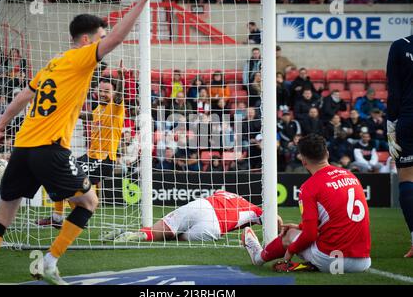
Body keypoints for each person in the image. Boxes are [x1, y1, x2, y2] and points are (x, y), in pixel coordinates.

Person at [0, 0, 152, 286]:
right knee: (89, 202)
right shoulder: (81, 59)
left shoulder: (53, 64)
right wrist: (143, 1)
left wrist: (1, 124)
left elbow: (22, 97)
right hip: (50, 149)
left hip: (23, 147)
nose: (103, 42)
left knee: (4, 214)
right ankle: (50, 262)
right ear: (86, 40)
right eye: (99, 37)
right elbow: (118, 38)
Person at [242, 134, 371, 273]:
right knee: (301, 231)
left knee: (290, 234)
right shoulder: (350, 175)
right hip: (363, 261)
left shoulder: (309, 187)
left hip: (332, 261)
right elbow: (337, 217)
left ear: (303, 161)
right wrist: (300, 226)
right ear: (327, 154)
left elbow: (310, 235)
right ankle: (313, 265)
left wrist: (291, 250)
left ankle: (258, 257)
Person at [36, 73, 125, 228]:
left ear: (114, 93)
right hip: (90, 157)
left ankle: (76, 217)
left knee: (69, 181)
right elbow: (89, 116)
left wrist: (121, 79)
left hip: (103, 159)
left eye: (107, 91)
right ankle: (59, 218)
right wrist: (70, 111)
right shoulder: (99, 109)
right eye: (101, 90)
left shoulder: (116, 108)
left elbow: (119, 97)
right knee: (59, 173)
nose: (103, 94)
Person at [102, 190, 277, 242]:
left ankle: (136, 233)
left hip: (202, 205)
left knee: (163, 231)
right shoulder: (254, 209)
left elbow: (217, 192)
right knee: (174, 237)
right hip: (215, 226)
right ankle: (138, 235)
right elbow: (276, 220)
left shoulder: (223, 193)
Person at [386, 33, 413, 257]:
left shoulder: (400, 46)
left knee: (407, 177)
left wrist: (390, 125)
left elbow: (393, 90)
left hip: (409, 118)